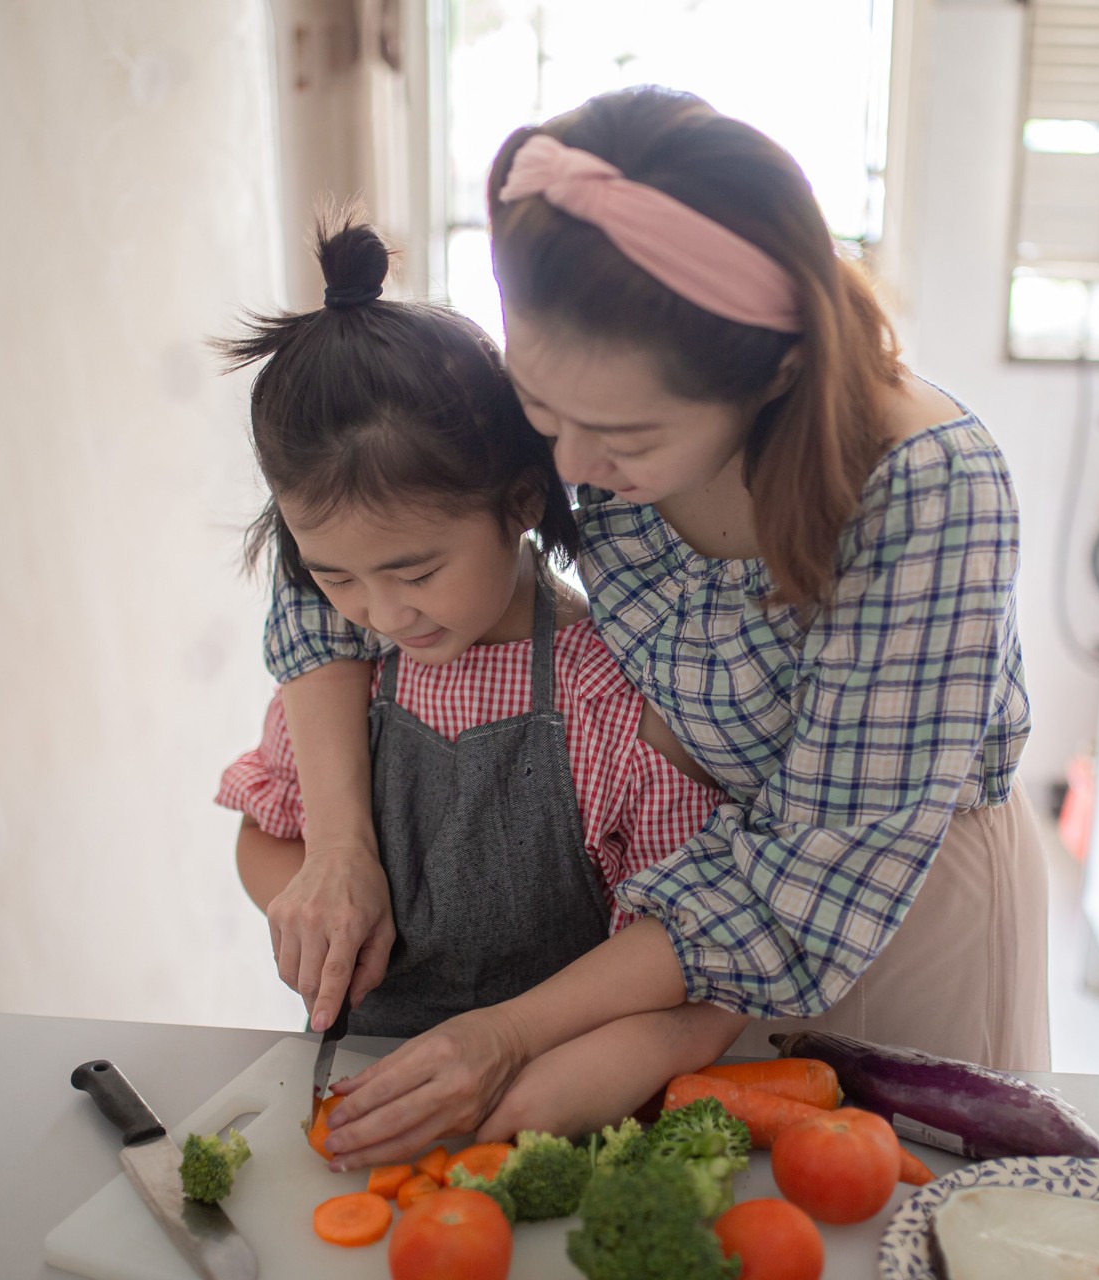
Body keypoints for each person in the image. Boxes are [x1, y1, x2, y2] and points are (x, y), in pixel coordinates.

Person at [273, 87, 1051, 1169]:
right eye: (543, 412)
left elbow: (803, 889)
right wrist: (343, 850)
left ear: (770, 375)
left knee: (900, 1209)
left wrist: (509, 1029)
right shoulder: (585, 374)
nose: (572, 472)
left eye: (624, 438)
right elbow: (330, 565)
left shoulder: (927, 492)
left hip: (887, 893)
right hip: (669, 908)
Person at [215, 216, 739, 1113]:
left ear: (522, 500)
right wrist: (307, 903)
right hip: (374, 1092)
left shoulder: (610, 693)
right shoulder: (350, 679)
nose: (381, 613)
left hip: (566, 1100)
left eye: (416, 571)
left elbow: (681, 960)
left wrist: (519, 1102)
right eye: (332, 575)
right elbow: (269, 829)